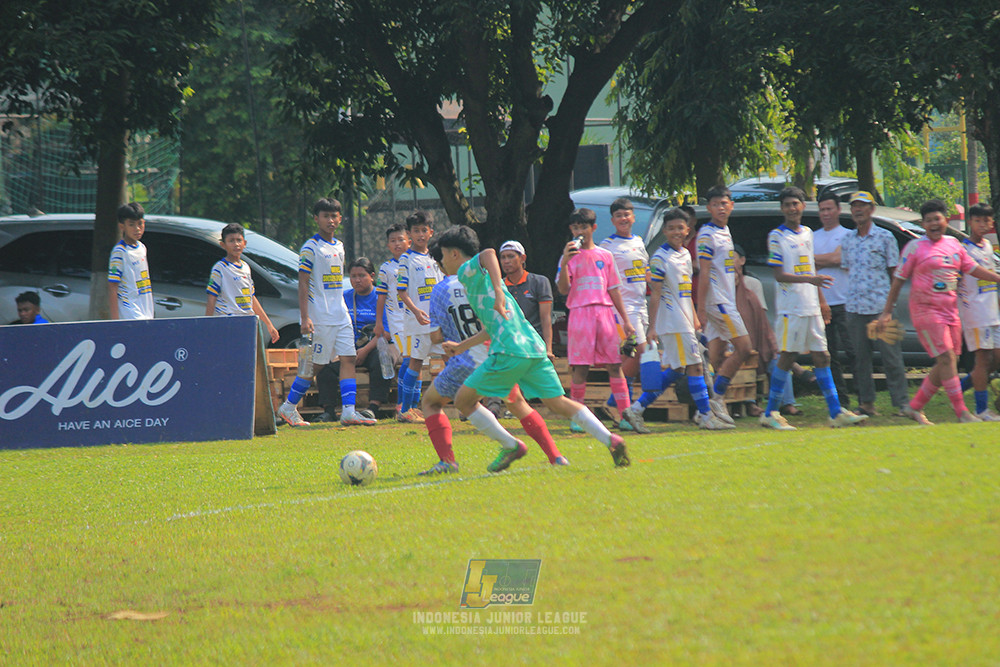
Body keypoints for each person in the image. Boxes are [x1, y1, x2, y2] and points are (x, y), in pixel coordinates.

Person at [437, 225, 629, 471]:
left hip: (508, 350)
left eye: (442, 256)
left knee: (464, 400)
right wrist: (461, 346)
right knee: (558, 402)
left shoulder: (466, 271)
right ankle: (610, 439)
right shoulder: (478, 282)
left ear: (454, 254)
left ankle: (510, 445)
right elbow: (491, 328)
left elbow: (487, 253)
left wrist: (498, 289)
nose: (442, 262)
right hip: (532, 347)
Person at [419, 241, 568, 475]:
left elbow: (436, 335)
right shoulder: (486, 279)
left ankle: (449, 460)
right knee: (517, 403)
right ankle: (556, 456)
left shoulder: (441, 289)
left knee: (431, 402)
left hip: (465, 358)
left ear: (450, 256)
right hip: (497, 353)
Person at [881, 199, 1000, 424]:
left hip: (950, 311)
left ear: (946, 220)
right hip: (926, 311)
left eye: (938, 219)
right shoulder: (915, 247)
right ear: (924, 224)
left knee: (948, 360)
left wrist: (996, 278)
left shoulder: (954, 244)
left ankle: (915, 407)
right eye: (929, 221)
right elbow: (898, 280)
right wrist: (887, 312)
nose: (934, 224)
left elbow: (972, 268)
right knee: (946, 357)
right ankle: (962, 412)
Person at [760, 187, 867, 430]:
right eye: (787, 204)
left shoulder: (807, 233)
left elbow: (810, 269)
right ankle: (770, 413)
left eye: (795, 203)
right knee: (788, 356)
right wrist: (810, 281)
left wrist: (820, 300)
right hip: (791, 307)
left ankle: (835, 412)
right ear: (782, 208)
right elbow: (779, 276)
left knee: (823, 355)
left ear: (802, 206)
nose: (791, 208)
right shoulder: (776, 236)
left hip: (811, 305)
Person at [276, 198, 377, 428]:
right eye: (325, 216)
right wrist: (305, 318)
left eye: (334, 216)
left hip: (340, 315)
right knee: (316, 366)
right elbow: (302, 284)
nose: (330, 220)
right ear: (316, 218)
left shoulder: (339, 246)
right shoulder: (309, 248)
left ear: (340, 218)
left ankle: (349, 412)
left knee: (348, 358)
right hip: (320, 317)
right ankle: (289, 407)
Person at [629, 208, 733, 430]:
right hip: (672, 323)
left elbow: (684, 292)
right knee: (695, 366)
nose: (676, 232)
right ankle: (706, 416)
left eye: (680, 228)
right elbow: (655, 294)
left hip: (685, 321)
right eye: (671, 228)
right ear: (664, 231)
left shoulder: (685, 254)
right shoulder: (660, 258)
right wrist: (652, 328)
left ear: (688, 229)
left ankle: (635, 410)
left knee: (677, 370)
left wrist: (695, 318)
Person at [556, 208, 644, 433]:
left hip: (604, 313)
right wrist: (565, 262)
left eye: (584, 227)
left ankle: (625, 415)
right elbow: (563, 289)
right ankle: (578, 417)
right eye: (576, 228)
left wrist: (625, 320)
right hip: (579, 313)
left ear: (593, 228)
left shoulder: (605, 255)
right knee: (580, 367)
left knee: (614, 364)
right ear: (570, 230)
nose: (580, 232)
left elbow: (614, 289)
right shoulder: (568, 256)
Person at [840, 191, 909, 416]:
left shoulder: (885, 237)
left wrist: (889, 309)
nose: (858, 210)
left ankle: (902, 404)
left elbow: (894, 275)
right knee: (861, 360)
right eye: (854, 207)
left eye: (863, 206)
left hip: (881, 309)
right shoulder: (848, 240)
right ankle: (867, 404)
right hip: (855, 308)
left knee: (892, 358)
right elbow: (849, 269)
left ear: (871, 210)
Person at [695, 185, 749, 425]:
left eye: (724, 203)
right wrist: (701, 309)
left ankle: (704, 410)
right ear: (709, 208)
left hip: (726, 299)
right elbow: (704, 273)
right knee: (744, 348)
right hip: (718, 302)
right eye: (716, 204)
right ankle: (716, 398)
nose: (721, 207)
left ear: (731, 205)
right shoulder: (706, 234)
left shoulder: (725, 231)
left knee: (716, 357)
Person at [313, 257, 390, 422]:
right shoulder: (344, 298)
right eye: (353, 276)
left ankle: (373, 408)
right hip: (348, 347)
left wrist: (364, 350)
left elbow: (387, 332)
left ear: (372, 276)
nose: (357, 280)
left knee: (382, 360)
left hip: (373, 346)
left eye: (362, 275)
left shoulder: (381, 298)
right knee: (325, 365)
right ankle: (329, 410)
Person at [599, 197, 650, 431]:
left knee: (628, 357)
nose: (623, 219)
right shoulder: (607, 246)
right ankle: (615, 404)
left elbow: (644, 272)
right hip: (623, 309)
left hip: (641, 306)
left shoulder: (639, 242)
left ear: (633, 217)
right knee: (639, 353)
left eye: (627, 214)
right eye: (618, 215)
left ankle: (622, 412)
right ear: (612, 220)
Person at [396, 210, 443, 423]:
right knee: (415, 362)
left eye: (424, 230)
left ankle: (465, 405)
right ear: (409, 234)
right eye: (416, 231)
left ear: (431, 232)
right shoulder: (406, 259)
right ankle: (406, 409)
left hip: (438, 321)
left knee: (451, 359)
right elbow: (402, 291)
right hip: (417, 321)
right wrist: (416, 311)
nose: (421, 235)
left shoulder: (435, 257)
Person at [958, 203, 1000, 420]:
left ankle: (957, 387)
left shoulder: (988, 247)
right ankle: (981, 409)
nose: (983, 225)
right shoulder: (963, 250)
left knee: (995, 360)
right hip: (975, 312)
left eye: (987, 220)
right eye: (978, 220)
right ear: (970, 222)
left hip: (992, 312)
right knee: (983, 360)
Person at [812, 191, 854, 408]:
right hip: (821, 303)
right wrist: (819, 262)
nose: (826, 213)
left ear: (838, 209)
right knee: (829, 356)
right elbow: (809, 266)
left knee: (853, 352)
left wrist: (815, 261)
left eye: (830, 209)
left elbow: (840, 258)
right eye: (822, 210)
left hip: (846, 302)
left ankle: (865, 400)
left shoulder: (848, 235)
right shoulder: (811, 237)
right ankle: (841, 403)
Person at [205, 223, 279, 343]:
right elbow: (212, 297)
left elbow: (251, 297)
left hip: (247, 322)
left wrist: (269, 324)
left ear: (244, 243)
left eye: (239, 240)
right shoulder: (220, 268)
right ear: (223, 244)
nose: (236, 244)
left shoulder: (246, 267)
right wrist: (207, 324)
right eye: (231, 241)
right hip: (228, 322)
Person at [373, 222, 411, 414]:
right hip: (397, 320)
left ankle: (411, 405)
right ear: (388, 245)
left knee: (416, 360)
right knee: (409, 359)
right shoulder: (386, 269)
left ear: (409, 242)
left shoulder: (416, 263)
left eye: (401, 240)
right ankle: (402, 404)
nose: (397, 244)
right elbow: (380, 297)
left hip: (417, 318)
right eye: (393, 241)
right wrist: (379, 323)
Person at [498, 240, 555, 357]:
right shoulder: (499, 286)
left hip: (535, 343)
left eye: (511, 256)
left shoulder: (539, 282)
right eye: (503, 257)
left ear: (522, 258)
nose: (506, 261)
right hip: (509, 345)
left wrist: (548, 349)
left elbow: (546, 318)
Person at [108, 202, 154, 320]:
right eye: (132, 224)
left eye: (140, 224)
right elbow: (113, 286)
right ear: (122, 226)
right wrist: (115, 320)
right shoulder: (119, 252)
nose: (137, 229)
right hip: (130, 313)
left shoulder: (142, 248)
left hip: (146, 311)